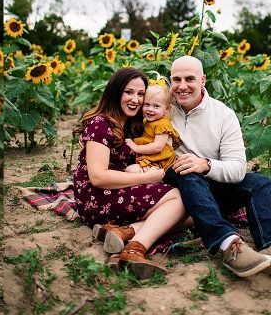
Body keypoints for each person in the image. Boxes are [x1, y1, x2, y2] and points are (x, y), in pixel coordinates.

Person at [164, 55, 271, 282]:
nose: (182, 86)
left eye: (190, 79)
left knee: (261, 182)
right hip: (179, 186)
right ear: (170, 81)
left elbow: (237, 168)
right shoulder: (162, 107)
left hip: (212, 182)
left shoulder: (222, 115)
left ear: (203, 80)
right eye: (176, 79)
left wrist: (206, 164)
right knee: (187, 172)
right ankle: (228, 244)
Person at [72, 67, 186, 279]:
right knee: (180, 200)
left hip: (120, 189)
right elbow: (98, 177)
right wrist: (147, 178)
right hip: (98, 198)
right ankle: (134, 250)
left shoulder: (132, 125)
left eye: (141, 94)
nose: (136, 99)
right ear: (115, 92)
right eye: (129, 92)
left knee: (189, 215)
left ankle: (123, 231)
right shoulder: (101, 123)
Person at [124, 81, 181, 173]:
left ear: (167, 108)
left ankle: (156, 177)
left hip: (160, 162)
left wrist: (136, 148)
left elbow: (157, 147)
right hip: (150, 159)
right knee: (130, 170)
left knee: (130, 170)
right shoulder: (146, 121)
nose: (150, 109)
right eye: (147, 104)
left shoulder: (162, 124)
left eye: (156, 106)